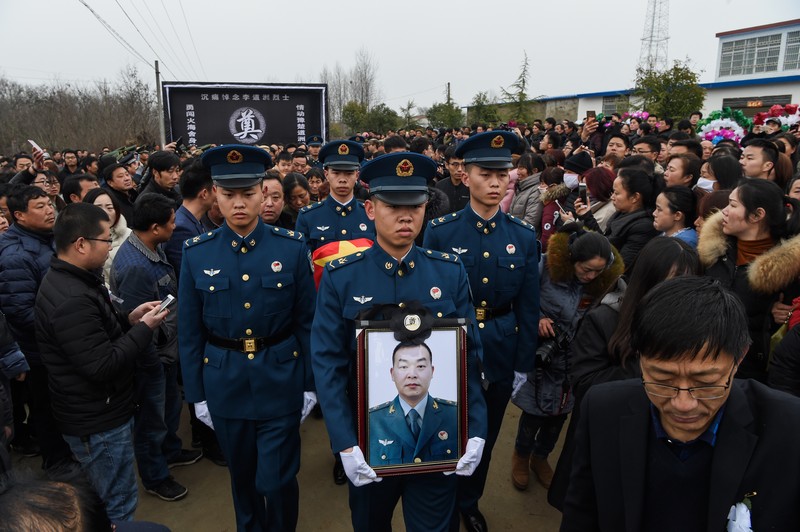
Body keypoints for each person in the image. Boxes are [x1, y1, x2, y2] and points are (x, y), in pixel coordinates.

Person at [311, 151, 488, 532]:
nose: (406, 215)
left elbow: (469, 358)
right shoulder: (342, 277)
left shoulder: (448, 271)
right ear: (370, 209)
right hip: (369, 440)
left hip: (438, 438)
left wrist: (475, 428)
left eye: (415, 205)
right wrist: (343, 442)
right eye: (392, 205)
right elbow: (328, 364)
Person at [560, 276, 800, 532]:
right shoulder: (603, 410)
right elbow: (581, 515)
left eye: (706, 383)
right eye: (662, 379)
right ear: (639, 357)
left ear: (739, 358)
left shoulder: (788, 430)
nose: (683, 404)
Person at [178, 145, 317, 531]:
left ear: (263, 195)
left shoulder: (290, 248)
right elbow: (190, 332)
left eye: (248, 194)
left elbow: (307, 322)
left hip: (280, 379)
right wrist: (197, 396)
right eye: (228, 195)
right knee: (243, 479)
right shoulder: (196, 253)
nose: (238, 204)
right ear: (215, 195)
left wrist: (310, 384)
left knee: (277, 479)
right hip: (225, 383)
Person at [422, 131, 539, 532]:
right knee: (447, 427)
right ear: (465, 174)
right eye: (485, 173)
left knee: (485, 436)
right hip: (452, 348)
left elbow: (529, 305)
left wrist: (523, 363)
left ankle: (469, 501)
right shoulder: (440, 232)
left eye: (502, 173)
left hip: (502, 348)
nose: (495, 182)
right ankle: (442, 498)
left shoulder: (522, 237)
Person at [34, 203, 168, 521]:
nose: (110, 248)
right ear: (81, 244)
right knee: (116, 504)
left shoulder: (74, 281)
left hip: (93, 412)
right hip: (99, 421)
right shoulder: (72, 299)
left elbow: (93, 335)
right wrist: (144, 330)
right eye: (106, 240)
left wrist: (127, 319)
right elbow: (102, 365)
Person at [548, 236, 700, 510]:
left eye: (687, 283)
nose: (679, 292)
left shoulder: (690, 330)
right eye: (673, 281)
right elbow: (586, 387)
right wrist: (652, 357)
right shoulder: (606, 319)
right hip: (605, 444)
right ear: (648, 278)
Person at [510, 224, 621, 492]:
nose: (591, 276)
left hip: (576, 358)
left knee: (560, 415)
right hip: (541, 354)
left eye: (598, 271)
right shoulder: (545, 268)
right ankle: (521, 455)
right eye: (586, 269)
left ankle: (541, 457)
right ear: (572, 259)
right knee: (534, 412)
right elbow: (521, 298)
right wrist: (537, 319)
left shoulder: (606, 282)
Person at [0, 185, 75, 471]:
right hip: (40, 349)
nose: (49, 210)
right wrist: (65, 325)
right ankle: (56, 462)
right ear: (18, 215)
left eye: (49, 204)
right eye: (40, 207)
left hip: (58, 340)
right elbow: (19, 311)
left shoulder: (49, 239)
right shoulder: (15, 255)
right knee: (45, 406)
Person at [697, 179, 800, 382]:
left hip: (752, 372)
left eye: (733, 205)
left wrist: (782, 317)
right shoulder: (714, 252)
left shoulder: (788, 268)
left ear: (757, 215)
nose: (723, 211)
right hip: (704, 360)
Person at [368, 342, 458, 466]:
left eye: (420, 366)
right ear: (392, 373)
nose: (412, 375)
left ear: (432, 371)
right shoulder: (372, 420)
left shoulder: (455, 414)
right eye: (404, 366)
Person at [295, 140, 375, 254]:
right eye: (336, 173)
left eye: (349, 173)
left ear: (357, 175)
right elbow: (303, 263)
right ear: (326, 174)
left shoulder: (370, 216)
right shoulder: (308, 216)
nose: (342, 179)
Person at [574, 168, 660, 274]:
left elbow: (621, 266)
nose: (612, 197)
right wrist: (586, 216)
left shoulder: (643, 227)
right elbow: (604, 242)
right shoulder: (621, 213)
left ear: (635, 197)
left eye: (616, 193)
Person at [83, 188, 131, 284]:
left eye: (109, 208)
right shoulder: (83, 241)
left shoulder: (129, 235)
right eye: (98, 208)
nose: (105, 212)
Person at [435, 146, 471, 215]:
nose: (460, 169)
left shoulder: (472, 187)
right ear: (446, 165)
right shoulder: (439, 187)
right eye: (455, 164)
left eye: (463, 164)